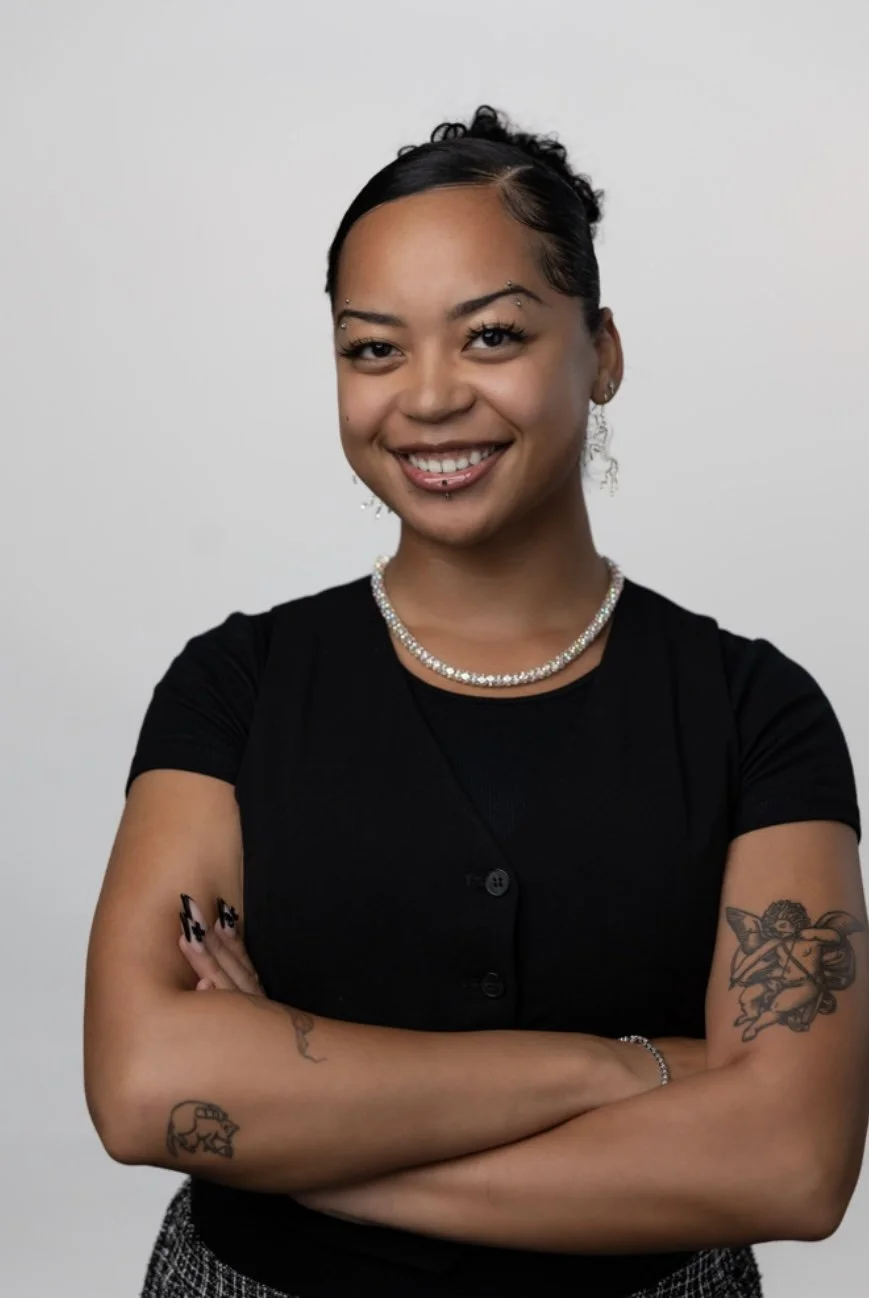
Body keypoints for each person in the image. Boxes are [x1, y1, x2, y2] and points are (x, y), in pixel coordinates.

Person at [83, 105, 867, 1298]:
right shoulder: (233, 688)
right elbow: (144, 1086)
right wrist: (620, 1068)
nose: (429, 397)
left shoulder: (754, 711)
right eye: (372, 348)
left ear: (600, 350)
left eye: (490, 335)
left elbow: (789, 1161)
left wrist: (298, 1139)